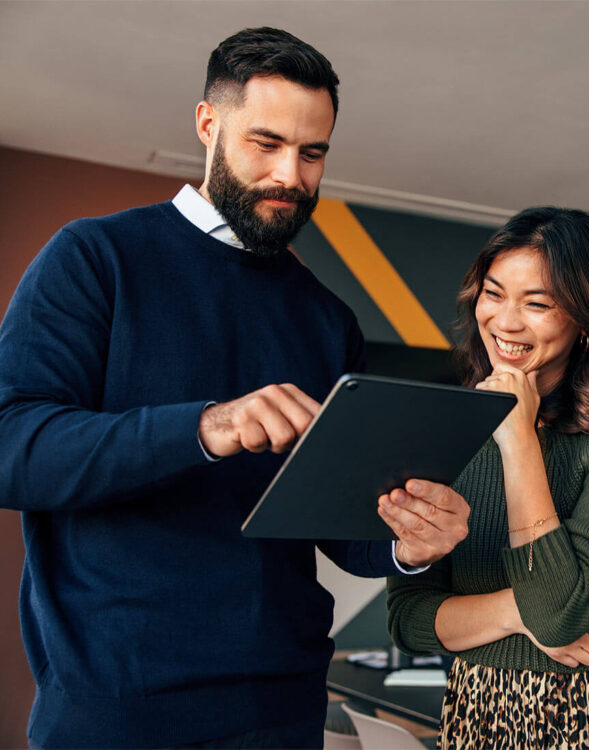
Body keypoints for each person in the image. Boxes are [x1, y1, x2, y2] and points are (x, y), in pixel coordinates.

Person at [0, 28, 468, 749]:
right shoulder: (95, 258)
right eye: (267, 143)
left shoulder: (326, 317)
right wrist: (206, 427)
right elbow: (12, 449)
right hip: (116, 708)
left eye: (313, 154)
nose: (290, 174)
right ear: (208, 124)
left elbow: (335, 525)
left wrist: (411, 542)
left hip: (281, 708)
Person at [384, 207, 589, 748]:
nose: (505, 321)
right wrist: (512, 612)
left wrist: (518, 438)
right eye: (493, 293)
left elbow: (561, 615)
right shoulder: (440, 430)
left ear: (586, 319)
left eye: (538, 303)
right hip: (478, 708)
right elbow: (408, 619)